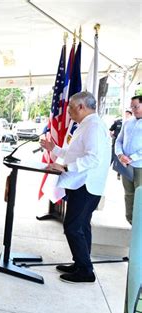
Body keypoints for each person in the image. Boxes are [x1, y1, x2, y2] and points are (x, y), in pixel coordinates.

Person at [40, 91, 111, 283]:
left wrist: (65, 166)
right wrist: (52, 148)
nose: (68, 111)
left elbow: (93, 158)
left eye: (71, 107)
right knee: (82, 226)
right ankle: (81, 263)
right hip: (83, 183)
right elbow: (74, 153)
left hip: (85, 185)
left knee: (72, 227)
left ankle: (85, 271)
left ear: (81, 106)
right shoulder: (86, 125)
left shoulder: (93, 126)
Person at [115, 95, 142, 225]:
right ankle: (131, 220)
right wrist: (120, 155)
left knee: (140, 195)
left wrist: (132, 158)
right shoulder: (128, 122)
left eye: (136, 106)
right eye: (132, 107)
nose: (133, 109)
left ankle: (139, 224)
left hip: (139, 166)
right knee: (128, 193)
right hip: (126, 166)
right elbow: (119, 141)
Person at [110, 109, 133, 179]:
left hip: (126, 144)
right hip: (117, 142)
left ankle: (119, 173)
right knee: (113, 155)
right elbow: (110, 129)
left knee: (123, 158)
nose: (127, 115)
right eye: (126, 113)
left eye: (128, 114)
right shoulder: (118, 122)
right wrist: (113, 136)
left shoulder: (132, 124)